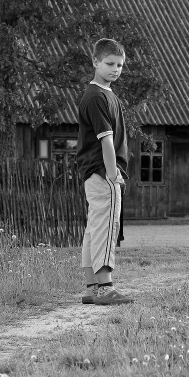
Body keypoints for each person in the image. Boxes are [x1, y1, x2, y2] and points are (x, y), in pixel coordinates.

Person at [76, 38, 133, 305]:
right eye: (109, 64)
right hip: (103, 171)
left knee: (94, 228)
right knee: (106, 228)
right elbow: (106, 140)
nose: (115, 69)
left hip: (94, 171)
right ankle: (105, 287)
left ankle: (91, 288)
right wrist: (113, 174)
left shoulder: (105, 95)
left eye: (119, 65)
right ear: (95, 62)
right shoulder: (97, 96)